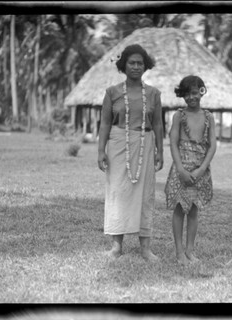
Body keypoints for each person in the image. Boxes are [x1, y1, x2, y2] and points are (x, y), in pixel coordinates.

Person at [97, 44, 164, 262]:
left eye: (140, 63)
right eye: (132, 62)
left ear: (146, 67)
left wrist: (160, 151)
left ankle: (145, 248)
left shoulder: (153, 94)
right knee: (118, 192)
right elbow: (105, 122)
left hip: (145, 143)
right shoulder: (112, 93)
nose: (136, 66)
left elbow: (158, 124)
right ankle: (116, 246)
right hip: (118, 144)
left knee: (145, 195)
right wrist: (101, 151)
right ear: (123, 65)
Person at [164, 75, 217, 265]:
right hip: (181, 170)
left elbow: (212, 146)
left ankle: (190, 251)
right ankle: (179, 252)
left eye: (194, 93)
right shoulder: (179, 116)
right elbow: (173, 142)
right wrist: (180, 169)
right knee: (179, 209)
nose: (191, 97)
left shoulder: (209, 117)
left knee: (194, 211)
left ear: (202, 91)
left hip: (200, 171)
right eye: (186, 94)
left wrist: (201, 169)